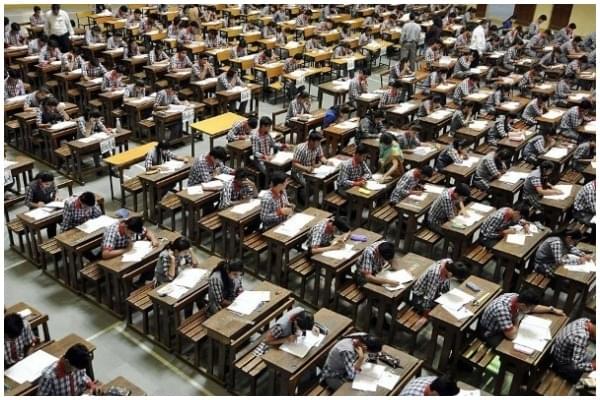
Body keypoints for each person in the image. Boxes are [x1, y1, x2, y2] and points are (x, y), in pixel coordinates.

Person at [478, 289, 565, 346]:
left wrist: (551, 309)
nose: (532, 309)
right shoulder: (502, 310)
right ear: (523, 305)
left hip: (506, 325)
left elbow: (533, 308)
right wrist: (517, 320)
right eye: (530, 307)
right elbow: (511, 336)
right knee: (514, 346)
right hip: (490, 332)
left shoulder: (517, 298)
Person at [551, 318, 596, 383]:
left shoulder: (585, 320)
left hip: (561, 354)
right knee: (587, 380)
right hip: (562, 365)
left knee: (590, 357)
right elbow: (577, 365)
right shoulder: (581, 336)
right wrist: (593, 366)